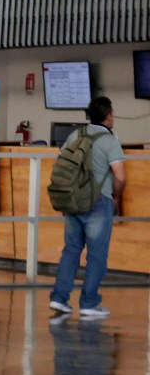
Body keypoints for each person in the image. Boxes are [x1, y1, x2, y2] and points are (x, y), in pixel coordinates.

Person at [49, 96, 125, 319]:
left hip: (73, 201)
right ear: (108, 115)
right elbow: (120, 177)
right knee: (96, 255)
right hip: (98, 202)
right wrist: (116, 196)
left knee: (71, 250)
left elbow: (61, 163)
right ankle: (89, 303)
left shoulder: (75, 135)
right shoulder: (110, 140)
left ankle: (59, 298)